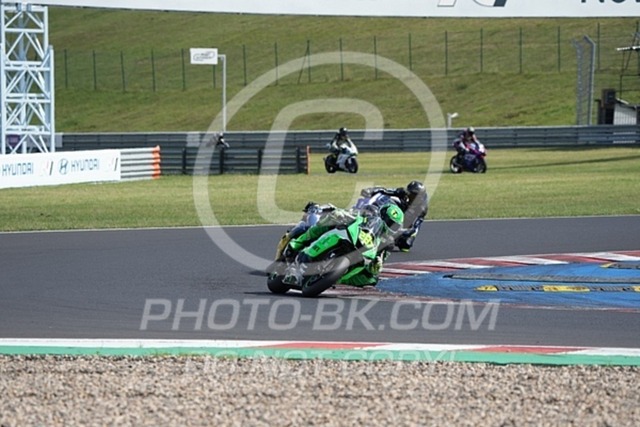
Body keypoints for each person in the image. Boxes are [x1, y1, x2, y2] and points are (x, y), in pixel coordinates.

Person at [283, 203, 404, 287]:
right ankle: (299, 243)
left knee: (372, 279)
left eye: (393, 225)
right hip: (351, 232)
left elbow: (379, 262)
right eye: (388, 221)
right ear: (382, 214)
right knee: (330, 220)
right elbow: (354, 212)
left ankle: (336, 279)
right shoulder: (371, 212)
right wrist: (343, 214)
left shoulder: (388, 243)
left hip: (364, 252)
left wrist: (377, 265)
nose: (389, 226)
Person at [358, 180, 429, 252]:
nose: (408, 196)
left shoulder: (421, 209)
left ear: (419, 197)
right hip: (400, 214)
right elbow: (385, 190)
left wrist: (395, 233)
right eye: (409, 193)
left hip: (406, 229)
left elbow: (413, 229)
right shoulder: (404, 193)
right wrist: (371, 190)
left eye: (412, 195)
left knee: (405, 246)